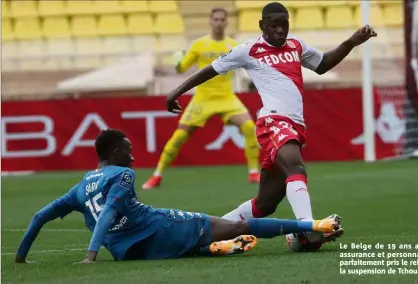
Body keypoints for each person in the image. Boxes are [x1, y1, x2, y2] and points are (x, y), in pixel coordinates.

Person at [163, 2, 377, 248]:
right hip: (273, 122)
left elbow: (323, 64)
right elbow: (211, 70)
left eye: (283, 25)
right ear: (262, 26)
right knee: (295, 166)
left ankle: (210, 231)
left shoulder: (296, 46)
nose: (279, 30)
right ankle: (308, 228)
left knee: (265, 204)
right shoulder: (248, 50)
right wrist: (176, 92)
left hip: (295, 125)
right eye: (273, 25)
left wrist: (351, 42)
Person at [15, 129, 341, 263]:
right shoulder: (123, 174)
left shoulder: (79, 186)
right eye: (128, 151)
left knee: (200, 241)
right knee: (244, 225)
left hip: (129, 251)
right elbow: (111, 211)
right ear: (115, 152)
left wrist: (21, 258)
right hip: (158, 228)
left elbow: (38, 216)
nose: (132, 157)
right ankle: (314, 225)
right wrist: (90, 255)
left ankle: (217, 248)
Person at [142, 7, 260, 189]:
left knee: (250, 127)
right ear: (211, 22)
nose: (219, 23)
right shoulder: (199, 45)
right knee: (179, 136)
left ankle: (254, 173)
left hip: (227, 97)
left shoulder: (233, 45)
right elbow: (181, 68)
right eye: (216, 19)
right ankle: (157, 175)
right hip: (202, 98)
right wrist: (177, 60)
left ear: (226, 22)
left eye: (222, 20)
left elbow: (248, 64)